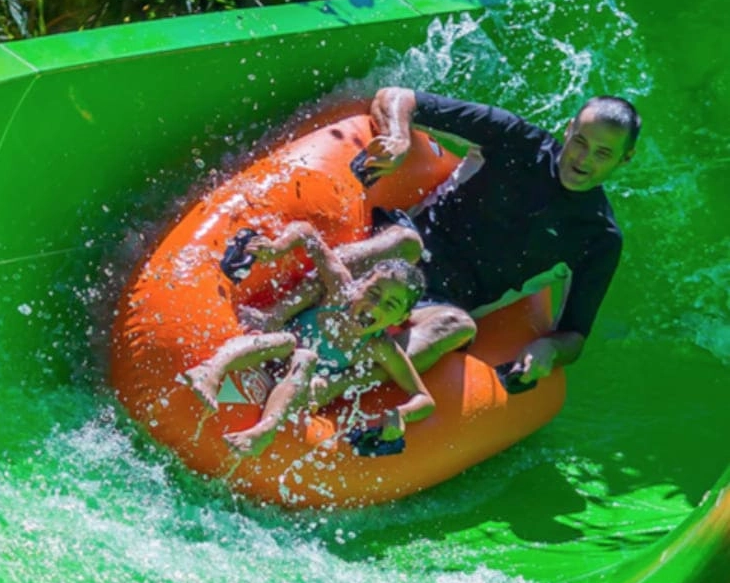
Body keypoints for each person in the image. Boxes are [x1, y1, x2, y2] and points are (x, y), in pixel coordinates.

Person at [247, 86, 641, 398]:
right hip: (407, 248)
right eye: (580, 142)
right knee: (405, 242)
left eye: (603, 153)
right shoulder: (515, 140)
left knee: (457, 325)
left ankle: (326, 389)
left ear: (624, 159)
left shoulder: (598, 237)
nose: (583, 159)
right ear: (569, 129)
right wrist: (398, 137)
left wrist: (550, 351)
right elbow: (397, 97)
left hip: (440, 301)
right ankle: (271, 319)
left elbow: (574, 336)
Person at [181, 220, 436, 458]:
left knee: (306, 358)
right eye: (373, 292)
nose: (375, 306)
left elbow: (424, 399)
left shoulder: (379, 346)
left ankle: (264, 430)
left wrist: (401, 414)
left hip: (300, 388)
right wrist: (277, 248)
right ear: (360, 285)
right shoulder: (340, 290)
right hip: (273, 352)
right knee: (287, 341)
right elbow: (306, 232)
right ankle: (211, 371)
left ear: (401, 317)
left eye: (390, 305)